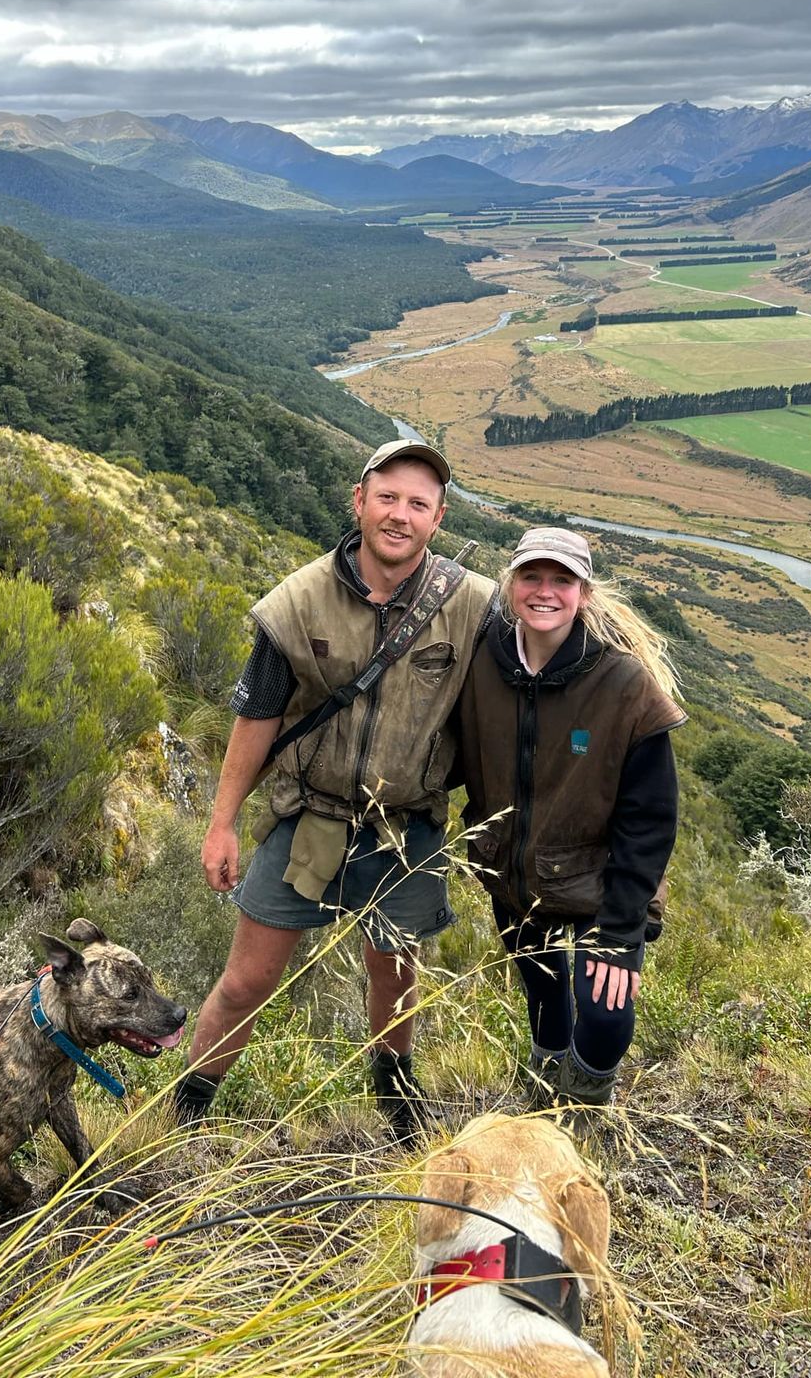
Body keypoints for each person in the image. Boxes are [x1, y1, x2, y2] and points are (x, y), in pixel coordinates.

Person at [174, 439, 496, 1139]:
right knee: (247, 983)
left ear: (438, 518)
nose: (400, 515)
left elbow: (524, 679)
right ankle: (185, 1111)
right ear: (359, 501)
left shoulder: (474, 606)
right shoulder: (301, 600)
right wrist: (222, 822)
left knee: (394, 978)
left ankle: (397, 1108)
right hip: (308, 818)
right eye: (388, 497)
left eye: (418, 504)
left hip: (405, 827)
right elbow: (257, 714)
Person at [454, 526, 685, 1113]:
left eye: (562, 580)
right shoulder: (483, 665)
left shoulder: (623, 683)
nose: (545, 592)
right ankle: (544, 1098)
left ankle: (582, 1111)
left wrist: (621, 928)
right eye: (532, 576)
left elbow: (651, 818)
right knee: (542, 991)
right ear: (511, 585)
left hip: (601, 882)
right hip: (515, 875)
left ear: (583, 591)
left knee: (606, 1012)